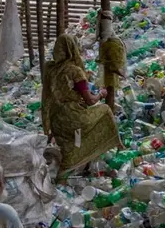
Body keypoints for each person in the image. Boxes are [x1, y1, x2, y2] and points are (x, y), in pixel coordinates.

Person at [42, 34, 120, 176]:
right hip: (74, 117)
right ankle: (118, 145)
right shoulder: (75, 71)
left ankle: (62, 177)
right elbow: (90, 101)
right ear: (73, 48)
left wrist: (85, 79)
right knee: (105, 110)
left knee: (68, 150)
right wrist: (101, 94)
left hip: (55, 119)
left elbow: (63, 87)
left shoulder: (50, 69)